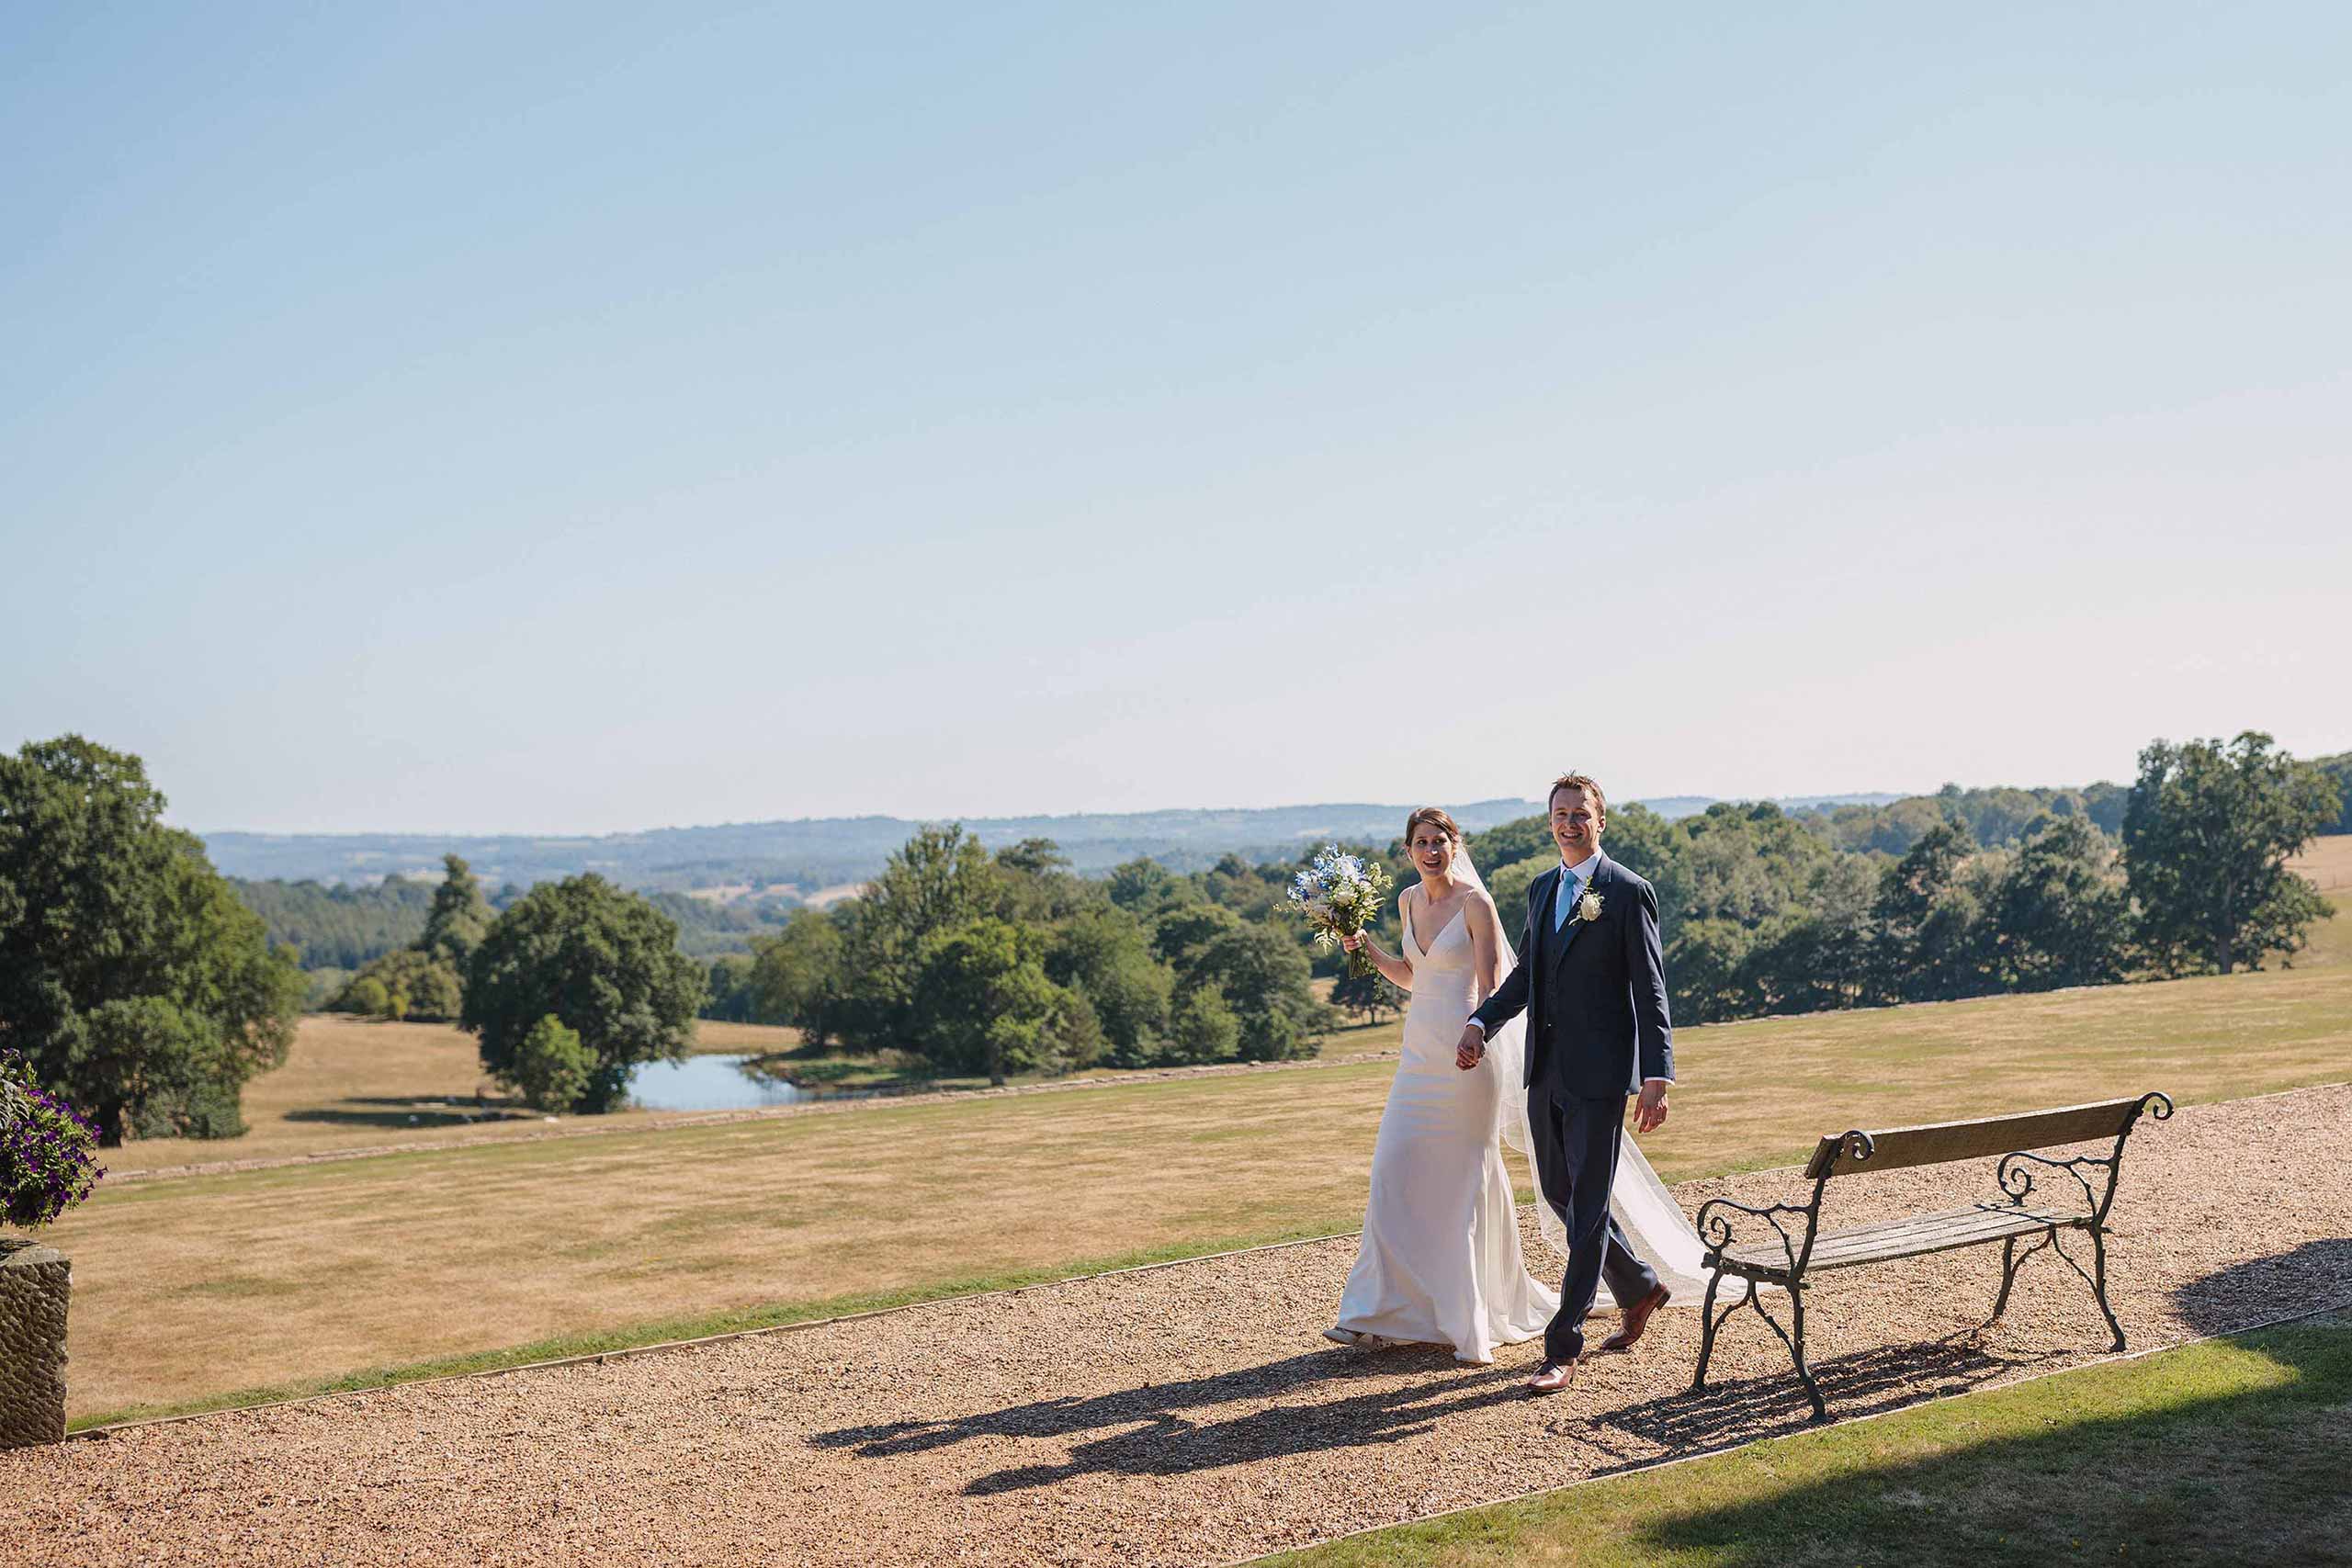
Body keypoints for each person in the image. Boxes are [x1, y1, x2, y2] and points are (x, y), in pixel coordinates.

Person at [1458, 772, 1682, 1394]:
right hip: (1545, 1070)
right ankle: (1638, 1285)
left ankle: (1563, 1346)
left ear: (1600, 821)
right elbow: (1527, 976)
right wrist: (1481, 1022)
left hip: (1601, 1076)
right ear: (1550, 822)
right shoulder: (1541, 889)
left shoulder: (1628, 891)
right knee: (1559, 1191)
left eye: (1580, 813)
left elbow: (1650, 988)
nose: (1569, 823)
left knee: (1586, 1208)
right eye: (1560, 813)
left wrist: (1656, 1075)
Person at [1324, 807, 1556, 1363]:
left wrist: (1476, 1035)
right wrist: (1365, 948)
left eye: (1440, 841)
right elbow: (1414, 976)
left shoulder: (1477, 904)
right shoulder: (1406, 900)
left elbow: (1493, 985)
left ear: (1456, 845)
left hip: (1466, 1057)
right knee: (1392, 1171)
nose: (1431, 851)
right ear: (1408, 851)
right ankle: (1377, 1311)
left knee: (1462, 1185)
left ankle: (1468, 1315)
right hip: (1417, 1059)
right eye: (1422, 843)